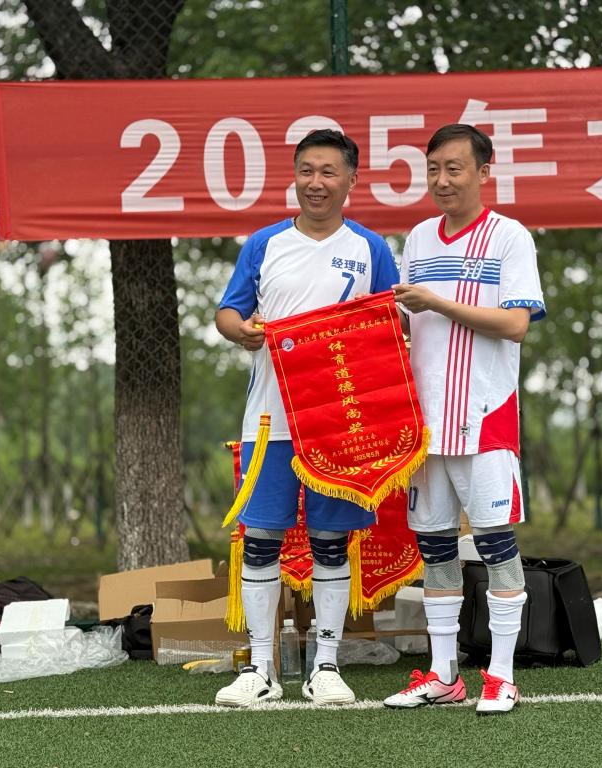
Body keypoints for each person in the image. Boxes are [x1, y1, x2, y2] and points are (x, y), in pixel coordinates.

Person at [213, 130, 399, 708]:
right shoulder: (264, 243)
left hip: (340, 422)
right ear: (294, 176)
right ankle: (261, 669)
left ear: (351, 180)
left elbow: (391, 327)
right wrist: (240, 331)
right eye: (306, 171)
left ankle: (326, 666)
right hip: (269, 418)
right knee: (261, 537)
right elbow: (228, 312)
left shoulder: (370, 248)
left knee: (330, 540)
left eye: (328, 172)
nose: (316, 183)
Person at [384, 125, 545, 715]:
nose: (442, 180)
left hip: (485, 418)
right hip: (425, 424)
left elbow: (516, 324)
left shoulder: (509, 237)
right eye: (433, 169)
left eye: (454, 168)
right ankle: (444, 673)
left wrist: (437, 302)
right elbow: (408, 326)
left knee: (496, 543)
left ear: (483, 172)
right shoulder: (419, 238)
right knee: (435, 549)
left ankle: (501, 676)